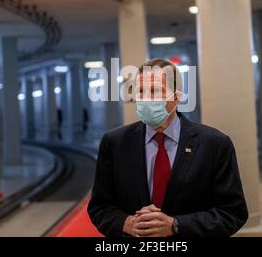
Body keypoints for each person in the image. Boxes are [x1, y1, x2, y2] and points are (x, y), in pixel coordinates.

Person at [87, 58, 248, 237]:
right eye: (141, 91)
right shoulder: (114, 143)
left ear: (177, 97)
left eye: (156, 91)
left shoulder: (214, 144)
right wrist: (125, 224)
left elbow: (233, 212)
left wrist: (176, 226)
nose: (146, 98)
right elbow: (100, 207)